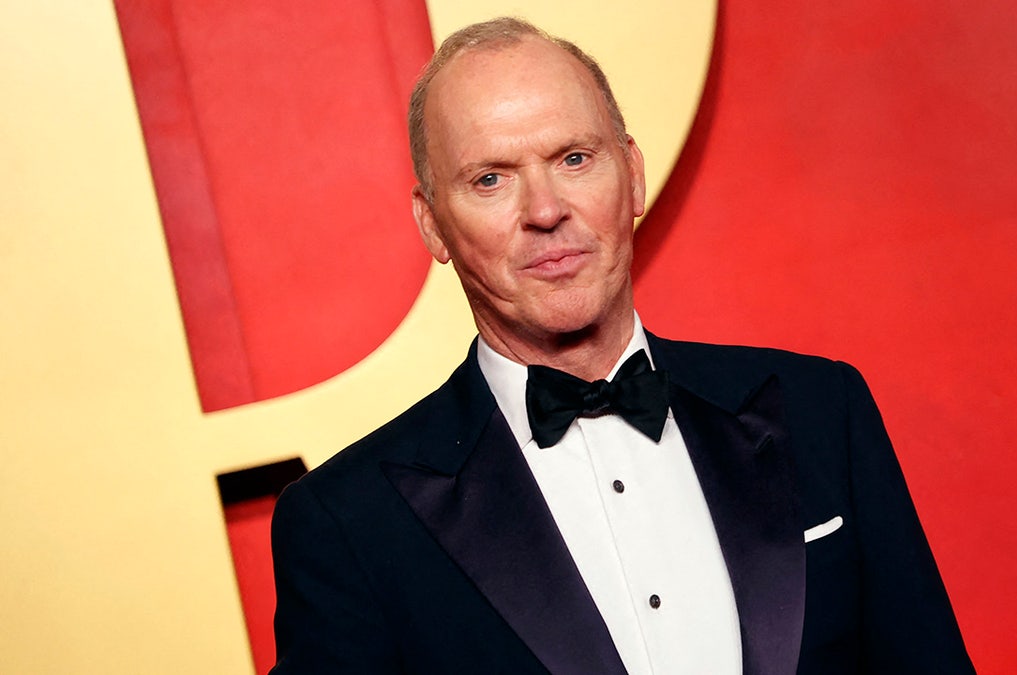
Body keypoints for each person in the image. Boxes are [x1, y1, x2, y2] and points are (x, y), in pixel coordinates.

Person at [270, 17, 974, 675]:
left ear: (632, 173)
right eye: (490, 179)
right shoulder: (346, 526)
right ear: (432, 226)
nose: (545, 211)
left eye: (574, 158)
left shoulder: (822, 411)